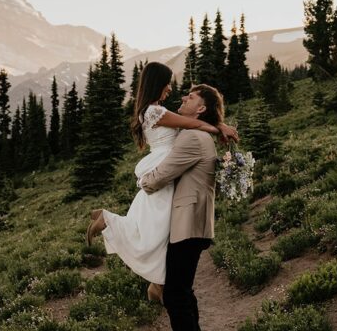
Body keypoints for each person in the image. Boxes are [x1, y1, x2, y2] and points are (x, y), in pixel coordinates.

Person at [86, 63, 235, 303]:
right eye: (167, 83)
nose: (170, 89)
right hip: (165, 163)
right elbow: (195, 123)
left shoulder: (154, 110)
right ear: (158, 83)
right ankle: (108, 221)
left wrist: (217, 127)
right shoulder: (155, 112)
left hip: (168, 163)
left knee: (162, 226)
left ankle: (158, 283)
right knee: (157, 227)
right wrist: (219, 128)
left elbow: (193, 122)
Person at [138, 83, 225, 331]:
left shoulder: (191, 138)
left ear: (200, 108)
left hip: (189, 226)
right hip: (191, 224)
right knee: (182, 293)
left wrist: (142, 181)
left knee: (176, 294)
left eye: (190, 98)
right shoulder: (195, 133)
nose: (183, 100)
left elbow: (162, 176)